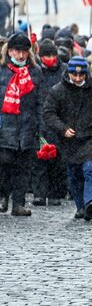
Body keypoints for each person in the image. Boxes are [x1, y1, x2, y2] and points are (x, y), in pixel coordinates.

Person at [43, 57, 92, 220]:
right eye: (74, 75)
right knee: (74, 174)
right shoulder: (58, 90)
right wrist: (62, 128)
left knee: (89, 168)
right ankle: (80, 206)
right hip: (69, 139)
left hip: (91, 136)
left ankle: (90, 202)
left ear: (87, 74)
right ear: (68, 73)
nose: (78, 79)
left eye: (81, 75)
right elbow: (48, 113)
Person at [0, 34, 44, 216]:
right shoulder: (2, 70)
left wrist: (40, 128)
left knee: (23, 167)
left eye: (24, 52)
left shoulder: (35, 71)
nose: (21, 55)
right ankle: (3, 197)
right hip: (5, 126)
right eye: (17, 51)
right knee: (4, 165)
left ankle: (18, 203)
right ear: (9, 51)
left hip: (27, 126)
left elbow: (40, 102)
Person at [32, 40, 67, 206]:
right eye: (47, 55)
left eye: (53, 55)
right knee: (39, 160)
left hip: (60, 120)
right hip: (40, 118)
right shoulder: (36, 71)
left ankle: (55, 194)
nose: (51, 58)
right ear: (40, 56)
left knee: (58, 162)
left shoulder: (64, 70)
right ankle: (39, 194)